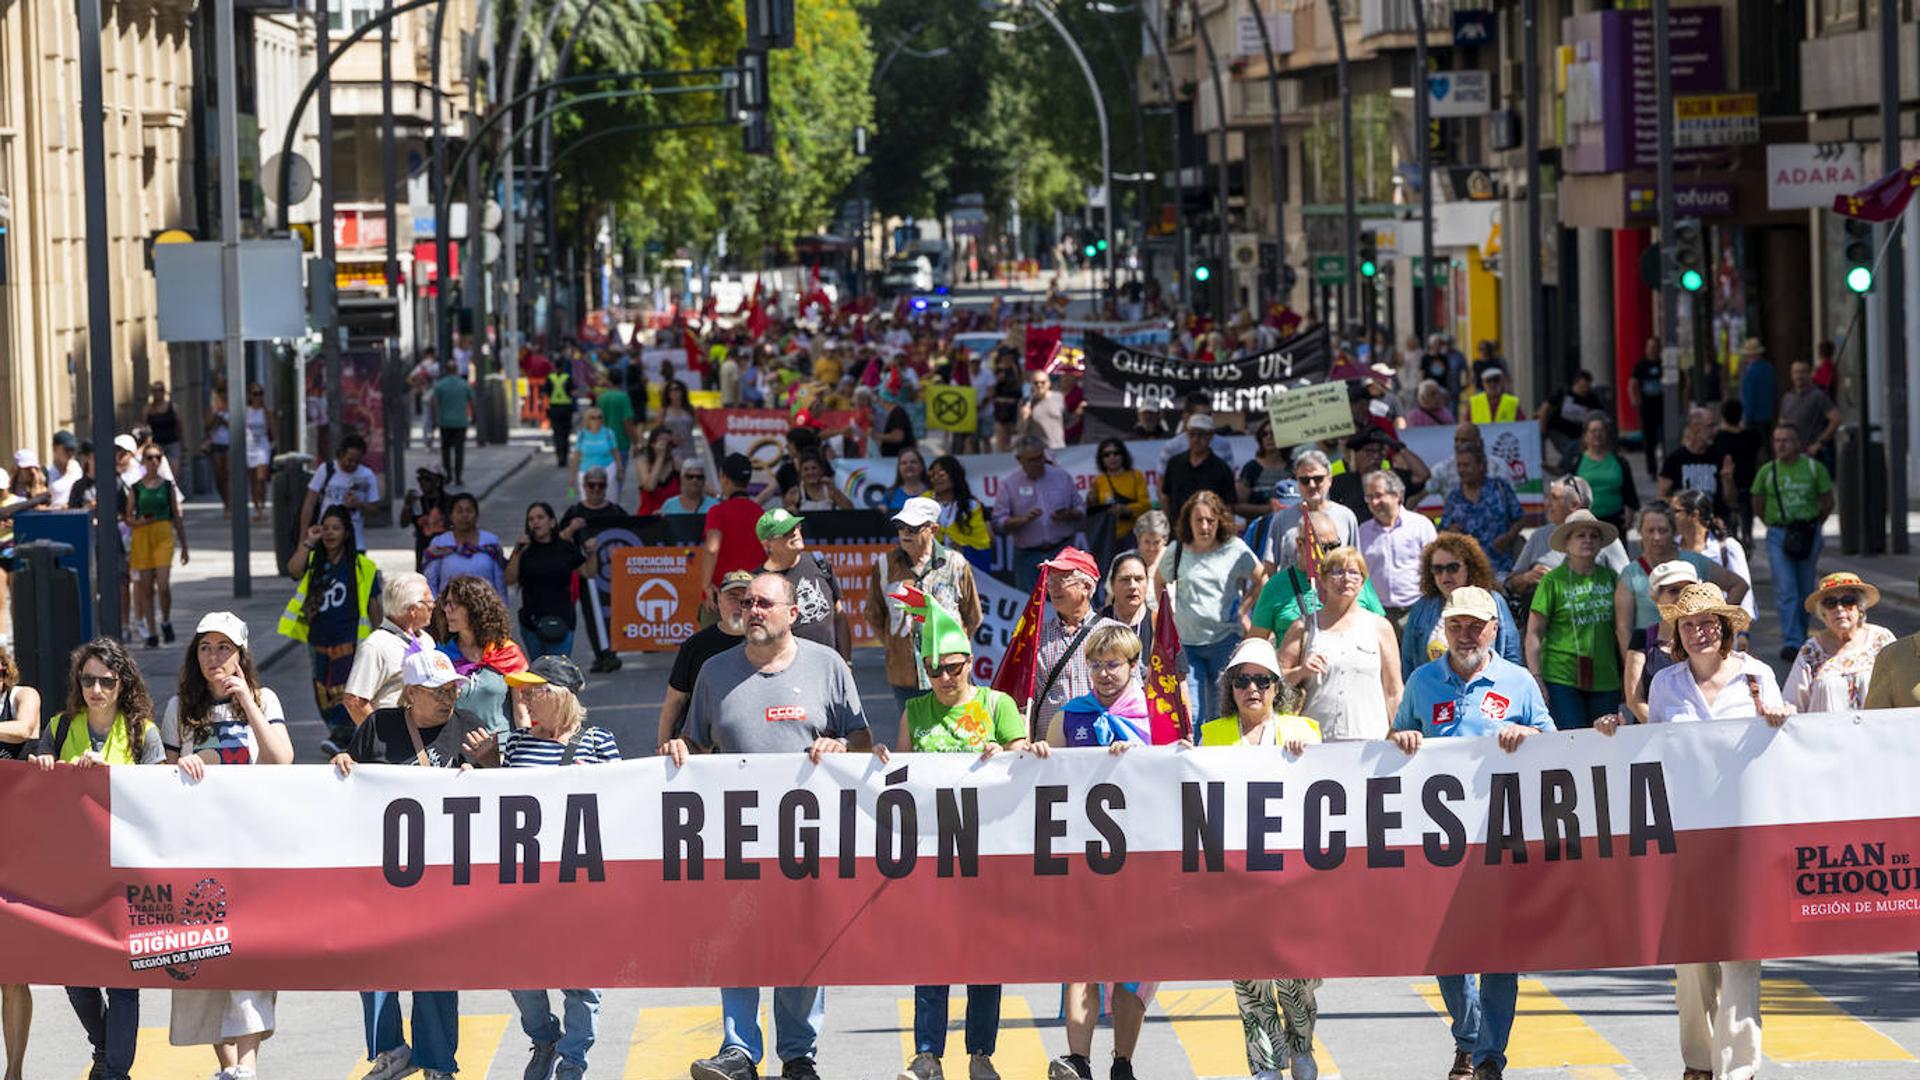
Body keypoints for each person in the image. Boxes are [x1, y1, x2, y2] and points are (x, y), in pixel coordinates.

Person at [664, 572, 873, 1080]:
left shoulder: (828, 666)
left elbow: (863, 741)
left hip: (809, 836)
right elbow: (698, 745)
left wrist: (841, 747)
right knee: (738, 938)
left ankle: (798, 1054)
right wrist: (678, 748)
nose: (753, 610)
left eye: (764, 603)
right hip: (735, 837)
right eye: (747, 602)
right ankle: (739, 1049)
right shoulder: (714, 672)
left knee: (802, 942)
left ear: (791, 614)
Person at [1595, 584, 1785, 1080]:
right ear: (1676, 633)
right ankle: (1699, 1064)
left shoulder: (1758, 677)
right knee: (1691, 960)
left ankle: (1738, 1069)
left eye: (1708, 624)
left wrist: (1779, 720)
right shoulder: (1665, 684)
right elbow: (1654, 752)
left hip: (1745, 835)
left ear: (1725, 629)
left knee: (1742, 955)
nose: (1699, 632)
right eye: (1688, 624)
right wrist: (1616, 732)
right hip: (1685, 837)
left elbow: (1783, 751)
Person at [1390, 586, 1553, 1080]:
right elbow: (1394, 738)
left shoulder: (1519, 682)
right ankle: (1468, 1036)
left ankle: (1487, 1057)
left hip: (1502, 835)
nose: (1465, 635)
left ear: (1494, 629)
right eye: (1456, 624)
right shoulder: (1422, 681)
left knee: (1500, 951)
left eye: (1475, 625)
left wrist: (1530, 735)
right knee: (1446, 949)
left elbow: (1555, 741)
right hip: (1438, 844)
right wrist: (1402, 738)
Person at [877, 596, 1025, 1080]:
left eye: (953, 668)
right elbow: (899, 777)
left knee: (985, 957)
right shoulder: (915, 712)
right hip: (932, 853)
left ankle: (981, 1053)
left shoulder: (996, 705)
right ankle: (926, 1055)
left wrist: (1002, 753)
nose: (944, 678)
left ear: (970, 664)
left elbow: (1023, 766)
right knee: (931, 952)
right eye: (934, 669)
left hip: (988, 853)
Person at [460, 656, 616, 1080]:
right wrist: (488, 765)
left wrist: (599, 784)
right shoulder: (514, 743)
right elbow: (500, 806)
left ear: (559, 695)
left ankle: (572, 1060)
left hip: (576, 886)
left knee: (581, 981)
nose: (524, 696)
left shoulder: (598, 743)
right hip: (524, 887)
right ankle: (543, 1036)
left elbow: (623, 809)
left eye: (533, 689)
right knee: (521, 972)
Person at [332, 650, 483, 1080]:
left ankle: (437, 1062)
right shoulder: (380, 725)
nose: (448, 698)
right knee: (373, 963)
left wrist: (487, 763)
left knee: (436, 971)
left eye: (452, 689)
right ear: (410, 694)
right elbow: (351, 775)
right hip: (383, 873)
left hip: (442, 876)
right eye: (437, 692)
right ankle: (391, 1050)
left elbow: (496, 789)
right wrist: (342, 764)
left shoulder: (467, 725)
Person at [27, 639, 162, 1080]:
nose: (97, 689)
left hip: (123, 871)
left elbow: (156, 798)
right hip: (69, 872)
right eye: (88, 680)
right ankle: (104, 1049)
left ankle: (114, 1070)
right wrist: (45, 764)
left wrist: (108, 773)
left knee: (122, 979)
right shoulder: (60, 728)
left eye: (107, 680)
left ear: (122, 683)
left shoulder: (143, 731)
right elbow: (32, 789)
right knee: (75, 975)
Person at [1028, 625, 1155, 1080]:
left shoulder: (1152, 716)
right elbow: (1046, 778)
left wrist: (1142, 756)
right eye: (1096, 665)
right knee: (1080, 959)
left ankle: (1122, 1062)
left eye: (1113, 665)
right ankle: (1078, 1060)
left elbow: (1176, 774)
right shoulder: (1069, 716)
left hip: (1137, 862)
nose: (1104, 674)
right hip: (1081, 858)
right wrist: (1040, 752)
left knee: (1128, 965)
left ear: (1133, 666)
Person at [1199, 638, 1324, 1077]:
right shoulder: (1211, 736)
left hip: (1292, 877)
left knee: (1296, 977)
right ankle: (1265, 1065)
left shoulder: (1303, 732)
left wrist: (1307, 761)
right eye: (1242, 680)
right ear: (1230, 688)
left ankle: (1301, 1045)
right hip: (1237, 877)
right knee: (1249, 978)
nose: (1252, 688)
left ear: (1276, 687)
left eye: (1262, 680)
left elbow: (1323, 791)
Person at [865, 497, 983, 729]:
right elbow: (874, 614)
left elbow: (973, 616)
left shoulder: (955, 564)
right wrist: (892, 645)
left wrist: (954, 649)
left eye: (913, 528)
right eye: (901, 527)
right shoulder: (884, 565)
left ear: (933, 529)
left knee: (955, 730)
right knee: (915, 733)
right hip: (904, 673)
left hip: (950, 671)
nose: (904, 533)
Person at [281, 505, 384, 753]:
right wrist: (307, 542)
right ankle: (339, 734)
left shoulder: (362, 566)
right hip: (318, 639)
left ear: (347, 533)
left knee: (345, 690)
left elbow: (374, 607)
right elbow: (293, 569)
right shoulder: (315, 561)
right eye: (325, 528)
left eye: (335, 528)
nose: (329, 533)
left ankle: (344, 735)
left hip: (349, 639)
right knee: (323, 691)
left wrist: (381, 635)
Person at [1157, 490, 1262, 726]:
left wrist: (1244, 609)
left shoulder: (1234, 548)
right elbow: (1158, 581)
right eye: (1199, 520)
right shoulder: (1177, 550)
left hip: (1224, 642)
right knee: (1191, 713)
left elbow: (1261, 579)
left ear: (1219, 522)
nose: (1204, 526)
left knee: (1221, 713)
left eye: (1210, 520)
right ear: (1188, 522)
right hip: (1187, 644)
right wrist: (1167, 616)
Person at [1278, 545, 1401, 742]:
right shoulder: (1304, 626)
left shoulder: (1380, 626)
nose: (1346, 579)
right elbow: (1274, 682)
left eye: (1354, 572)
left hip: (1370, 739)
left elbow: (1394, 690)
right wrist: (1301, 671)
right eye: (1337, 571)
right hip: (1315, 741)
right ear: (1323, 580)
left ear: (1362, 582)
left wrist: (1398, 731)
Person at [1523, 510, 1622, 730]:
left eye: (1593, 536)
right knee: (1572, 740)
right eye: (1580, 535)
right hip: (1561, 679)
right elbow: (1533, 633)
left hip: (1606, 677)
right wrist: (1536, 677)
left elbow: (1622, 629)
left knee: (1606, 743)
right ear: (1567, 543)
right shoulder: (1551, 581)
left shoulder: (1612, 578)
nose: (1588, 540)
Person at [1027, 547, 1127, 742]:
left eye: (1062, 579)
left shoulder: (1114, 634)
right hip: (1050, 751)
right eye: (1050, 580)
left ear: (1087, 587)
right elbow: (1027, 703)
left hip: (1103, 747)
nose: (1053, 587)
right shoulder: (1037, 638)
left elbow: (1132, 695)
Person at [1753, 422, 1833, 658]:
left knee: (1805, 588)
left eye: (1786, 440)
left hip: (1808, 533)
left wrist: (1814, 525)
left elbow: (1827, 500)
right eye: (1777, 440)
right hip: (1779, 534)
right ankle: (1793, 641)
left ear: (1798, 444)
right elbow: (1757, 502)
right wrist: (1773, 524)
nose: (1781, 445)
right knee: (1786, 589)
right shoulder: (1768, 471)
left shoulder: (1813, 468)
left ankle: (1802, 633)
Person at [1250, 510, 1389, 642]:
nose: (1328, 554)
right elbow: (1256, 642)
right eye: (1321, 548)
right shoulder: (1275, 586)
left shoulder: (1353, 579)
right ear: (1300, 545)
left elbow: (1382, 630)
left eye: (1334, 546)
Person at [1400, 532, 1524, 676]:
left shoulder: (1493, 601)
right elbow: (1408, 661)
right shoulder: (1421, 608)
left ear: (1469, 567)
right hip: (1432, 694)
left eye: (1453, 568)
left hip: (1486, 693)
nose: (1445, 575)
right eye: (1437, 569)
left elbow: (1511, 654)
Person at [658, 570, 752, 744]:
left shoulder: (767, 643)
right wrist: (661, 748)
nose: (739, 605)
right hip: (701, 747)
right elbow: (674, 701)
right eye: (732, 597)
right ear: (718, 600)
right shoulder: (695, 646)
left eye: (746, 599)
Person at [1784, 571, 1895, 712]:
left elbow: (1901, 686)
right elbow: (1792, 702)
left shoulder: (1881, 639)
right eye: (1831, 603)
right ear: (1823, 612)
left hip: (1876, 731)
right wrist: (1783, 711)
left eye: (1848, 601)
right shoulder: (1811, 651)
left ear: (1860, 607)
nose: (1839, 608)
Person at [0, 644, 35, 1080]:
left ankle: (14, 1072)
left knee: (12, 971)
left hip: (13, 853)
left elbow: (26, 728)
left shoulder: (20, 696)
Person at [435, 575, 529, 733]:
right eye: (446, 603)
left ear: (474, 607)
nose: (446, 610)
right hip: (455, 750)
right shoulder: (441, 656)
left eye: (454, 604)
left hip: (500, 749)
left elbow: (522, 712)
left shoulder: (508, 654)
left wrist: (525, 749)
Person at [992, 436, 1085, 593]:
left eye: (1040, 457)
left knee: (1068, 599)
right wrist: (1022, 520)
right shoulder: (1009, 484)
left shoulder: (1061, 476)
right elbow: (998, 523)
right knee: (1030, 606)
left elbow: (1081, 509)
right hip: (1028, 557)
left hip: (1061, 551)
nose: (1038, 463)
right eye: (1032, 460)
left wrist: (1069, 514)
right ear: (1019, 459)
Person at [342, 573, 436, 727]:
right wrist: (379, 739)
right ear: (413, 609)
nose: (433, 606)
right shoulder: (376, 646)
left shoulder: (426, 640)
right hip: (394, 739)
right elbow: (354, 701)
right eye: (429, 602)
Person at [756, 508, 852, 660]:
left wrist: (846, 662)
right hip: (788, 672)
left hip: (829, 668)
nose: (794, 533)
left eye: (795, 527)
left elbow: (839, 617)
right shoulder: (759, 583)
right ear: (767, 545)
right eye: (785, 532)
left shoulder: (818, 563)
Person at [125, 441, 187, 648]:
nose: (153, 461)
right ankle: (152, 632)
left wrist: (185, 546)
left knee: (162, 585)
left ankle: (166, 620)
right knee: (145, 588)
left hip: (163, 534)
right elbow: (128, 517)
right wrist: (139, 522)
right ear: (143, 461)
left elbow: (176, 516)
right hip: (142, 536)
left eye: (157, 458)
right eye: (149, 457)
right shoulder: (136, 487)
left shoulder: (168, 485)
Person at [1621, 561, 1698, 723]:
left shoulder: (1705, 638)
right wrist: (1665, 731)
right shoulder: (1642, 638)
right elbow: (1635, 700)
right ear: (1657, 598)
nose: (1681, 596)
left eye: (1688, 590)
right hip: (1652, 735)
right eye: (1674, 591)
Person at [507, 501, 585, 660]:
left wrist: (593, 553)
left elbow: (588, 571)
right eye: (531, 519)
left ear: (552, 522)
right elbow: (509, 579)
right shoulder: (524, 551)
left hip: (562, 621)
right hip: (532, 624)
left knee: (557, 675)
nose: (535, 522)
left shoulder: (565, 547)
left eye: (540, 517)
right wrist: (517, 551)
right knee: (539, 675)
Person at [1670, 487, 1756, 628]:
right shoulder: (1672, 549)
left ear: (1694, 515)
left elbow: (1745, 591)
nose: (1671, 516)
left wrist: (1741, 631)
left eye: (1676, 511)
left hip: (1719, 630)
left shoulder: (1727, 547)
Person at [1261, 449, 1361, 567]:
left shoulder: (1346, 516)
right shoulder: (1282, 518)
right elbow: (1270, 566)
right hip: (1293, 585)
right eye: (1305, 480)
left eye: (1318, 479)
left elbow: (1355, 562)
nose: (1312, 485)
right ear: (1297, 482)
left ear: (1329, 480)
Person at [1440, 444, 1524, 575]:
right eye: (1459, 465)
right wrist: (1450, 532)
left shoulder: (1500, 488)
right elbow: (1443, 530)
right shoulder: (1454, 496)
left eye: (1466, 465)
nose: (1461, 470)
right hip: (1467, 573)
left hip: (1501, 569)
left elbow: (1521, 519)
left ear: (1481, 466)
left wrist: (1508, 537)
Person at [697, 453, 766, 600]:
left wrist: (706, 585)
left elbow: (711, 549)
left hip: (723, 594)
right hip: (755, 594)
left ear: (724, 479)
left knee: (712, 623)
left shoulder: (718, 512)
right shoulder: (761, 513)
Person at [300, 433, 381, 549]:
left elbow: (375, 509)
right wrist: (303, 537)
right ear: (340, 455)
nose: (352, 464)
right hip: (326, 539)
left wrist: (358, 504)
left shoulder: (367, 476)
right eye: (349, 460)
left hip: (355, 542)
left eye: (357, 461)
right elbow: (309, 503)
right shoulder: (326, 470)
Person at [423, 493, 507, 599]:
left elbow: (500, 583)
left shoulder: (491, 543)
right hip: (449, 610)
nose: (464, 515)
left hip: (485, 611)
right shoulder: (440, 544)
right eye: (459, 511)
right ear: (451, 516)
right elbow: (430, 582)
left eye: (469, 511)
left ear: (476, 515)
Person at [1659, 407, 1735, 521]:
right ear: (1695, 427)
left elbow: (1730, 500)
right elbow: (1662, 497)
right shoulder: (1674, 459)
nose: (1715, 431)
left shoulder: (1721, 457)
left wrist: (1728, 480)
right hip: (1686, 524)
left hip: (1715, 523)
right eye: (1710, 426)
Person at [1566, 415, 1640, 533]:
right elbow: (1568, 491)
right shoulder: (1576, 461)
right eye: (1593, 431)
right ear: (1585, 436)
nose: (1597, 434)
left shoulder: (1619, 461)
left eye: (1601, 431)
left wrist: (1630, 512)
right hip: (1585, 522)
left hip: (1615, 521)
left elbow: (1629, 490)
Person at [1161, 414, 1237, 525]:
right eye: (1192, 434)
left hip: (1209, 532)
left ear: (1210, 436)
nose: (1196, 439)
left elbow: (1228, 506)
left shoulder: (1222, 469)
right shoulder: (1174, 463)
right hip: (1178, 531)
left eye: (1201, 435)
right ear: (1186, 434)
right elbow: (1166, 497)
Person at [927, 454, 992, 570]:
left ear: (954, 475)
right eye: (932, 475)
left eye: (941, 474)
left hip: (962, 568)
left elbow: (981, 543)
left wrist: (962, 549)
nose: (936, 478)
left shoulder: (972, 506)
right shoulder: (923, 501)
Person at [1778, 357, 1840, 466]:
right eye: (1796, 372)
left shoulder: (1818, 396)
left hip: (1812, 455)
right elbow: (1782, 425)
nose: (1799, 376)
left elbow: (1835, 419)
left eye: (1803, 372)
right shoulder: (1787, 398)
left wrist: (1819, 443)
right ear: (1791, 375)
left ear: (1810, 374)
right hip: (1792, 456)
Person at [1090, 437, 1151, 547]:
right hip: (1109, 538)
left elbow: (1146, 505)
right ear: (1101, 459)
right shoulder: (1099, 481)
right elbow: (1095, 513)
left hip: (1134, 535)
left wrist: (1126, 509)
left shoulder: (1136, 475)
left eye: (1116, 453)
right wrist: (1090, 501)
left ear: (1123, 455)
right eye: (1107, 455)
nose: (1112, 457)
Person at [1538, 369, 1602, 467]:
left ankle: (1566, 468)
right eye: (1582, 386)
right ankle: (1562, 468)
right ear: (1576, 384)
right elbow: (1545, 407)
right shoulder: (1564, 393)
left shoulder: (1592, 398)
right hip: (1558, 430)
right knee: (1569, 447)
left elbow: (1601, 414)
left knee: (1576, 447)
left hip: (1578, 434)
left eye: (1587, 387)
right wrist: (1542, 427)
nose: (1584, 390)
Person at [400, 462, 456, 571]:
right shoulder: (417, 502)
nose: (422, 482)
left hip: (447, 552)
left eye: (427, 479)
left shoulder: (450, 502)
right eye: (420, 479)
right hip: (424, 552)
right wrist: (407, 506)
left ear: (438, 481)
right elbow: (403, 523)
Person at [1234, 420, 1290, 519]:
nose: (1268, 437)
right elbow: (1238, 506)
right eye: (1264, 434)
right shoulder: (1252, 468)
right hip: (1259, 528)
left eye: (1273, 434)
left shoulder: (1293, 467)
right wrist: (1270, 509)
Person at [1628, 336, 1667, 473]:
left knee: (1666, 438)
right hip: (1647, 407)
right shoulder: (1641, 365)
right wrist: (1635, 400)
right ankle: (1652, 470)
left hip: (1663, 406)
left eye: (1655, 347)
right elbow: (1632, 383)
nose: (1652, 350)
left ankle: (1666, 467)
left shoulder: (1664, 364)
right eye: (1650, 347)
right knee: (1649, 440)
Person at [431, 361, 475, 484]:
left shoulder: (440, 385)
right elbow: (472, 401)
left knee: (445, 450)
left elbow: (434, 403)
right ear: (457, 370)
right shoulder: (464, 385)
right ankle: (458, 477)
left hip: (445, 422)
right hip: (461, 422)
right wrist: (473, 418)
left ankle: (448, 475)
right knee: (459, 451)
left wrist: (435, 419)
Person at [570, 405, 622, 498]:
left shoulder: (608, 433)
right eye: (593, 418)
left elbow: (616, 452)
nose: (596, 420)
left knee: (610, 498)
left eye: (599, 417)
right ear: (587, 419)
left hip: (607, 469)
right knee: (586, 498)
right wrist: (572, 476)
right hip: (585, 470)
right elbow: (576, 455)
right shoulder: (582, 434)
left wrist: (619, 469)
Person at [634, 426, 682, 515]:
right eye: (663, 443)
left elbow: (699, 482)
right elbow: (650, 487)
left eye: (670, 443)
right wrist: (660, 457)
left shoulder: (677, 464)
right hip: (648, 519)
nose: (666, 447)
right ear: (652, 444)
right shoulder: (642, 463)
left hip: (672, 519)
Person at [783, 453, 854, 512]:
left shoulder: (830, 491)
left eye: (814, 468)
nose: (810, 472)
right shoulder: (794, 493)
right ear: (801, 473)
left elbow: (849, 509)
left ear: (821, 471)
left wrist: (833, 488)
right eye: (806, 469)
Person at [242, 383, 272, 521]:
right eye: (255, 394)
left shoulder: (265, 411)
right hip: (249, 447)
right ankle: (257, 508)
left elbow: (273, 429)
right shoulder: (245, 411)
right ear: (250, 395)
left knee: (261, 478)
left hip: (262, 446)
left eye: (260, 394)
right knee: (253, 480)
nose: (258, 397)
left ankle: (263, 503)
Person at [143, 381, 183, 477]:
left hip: (172, 443)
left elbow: (180, 426)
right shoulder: (148, 409)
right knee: (157, 473)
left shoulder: (172, 407)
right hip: (156, 445)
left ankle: (171, 491)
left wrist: (183, 444)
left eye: (160, 390)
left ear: (164, 392)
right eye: (155, 390)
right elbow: (144, 427)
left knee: (173, 474)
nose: (158, 393)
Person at [1021, 367, 1067, 448]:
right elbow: (1022, 430)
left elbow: (1067, 421)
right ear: (1031, 384)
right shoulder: (1026, 402)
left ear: (1049, 383)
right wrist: (1025, 418)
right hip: (1037, 450)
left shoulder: (1059, 398)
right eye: (1036, 383)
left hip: (1059, 447)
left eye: (1043, 382)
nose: (1039, 385)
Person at [1738, 337, 1777, 430]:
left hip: (1754, 418)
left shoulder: (1749, 373)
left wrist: (1745, 419)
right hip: (1768, 415)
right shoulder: (1769, 368)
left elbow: (1749, 399)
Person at [884, 446, 931, 514]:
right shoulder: (890, 494)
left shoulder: (933, 492)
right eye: (904, 463)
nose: (908, 465)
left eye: (913, 462)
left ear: (922, 466)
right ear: (899, 468)